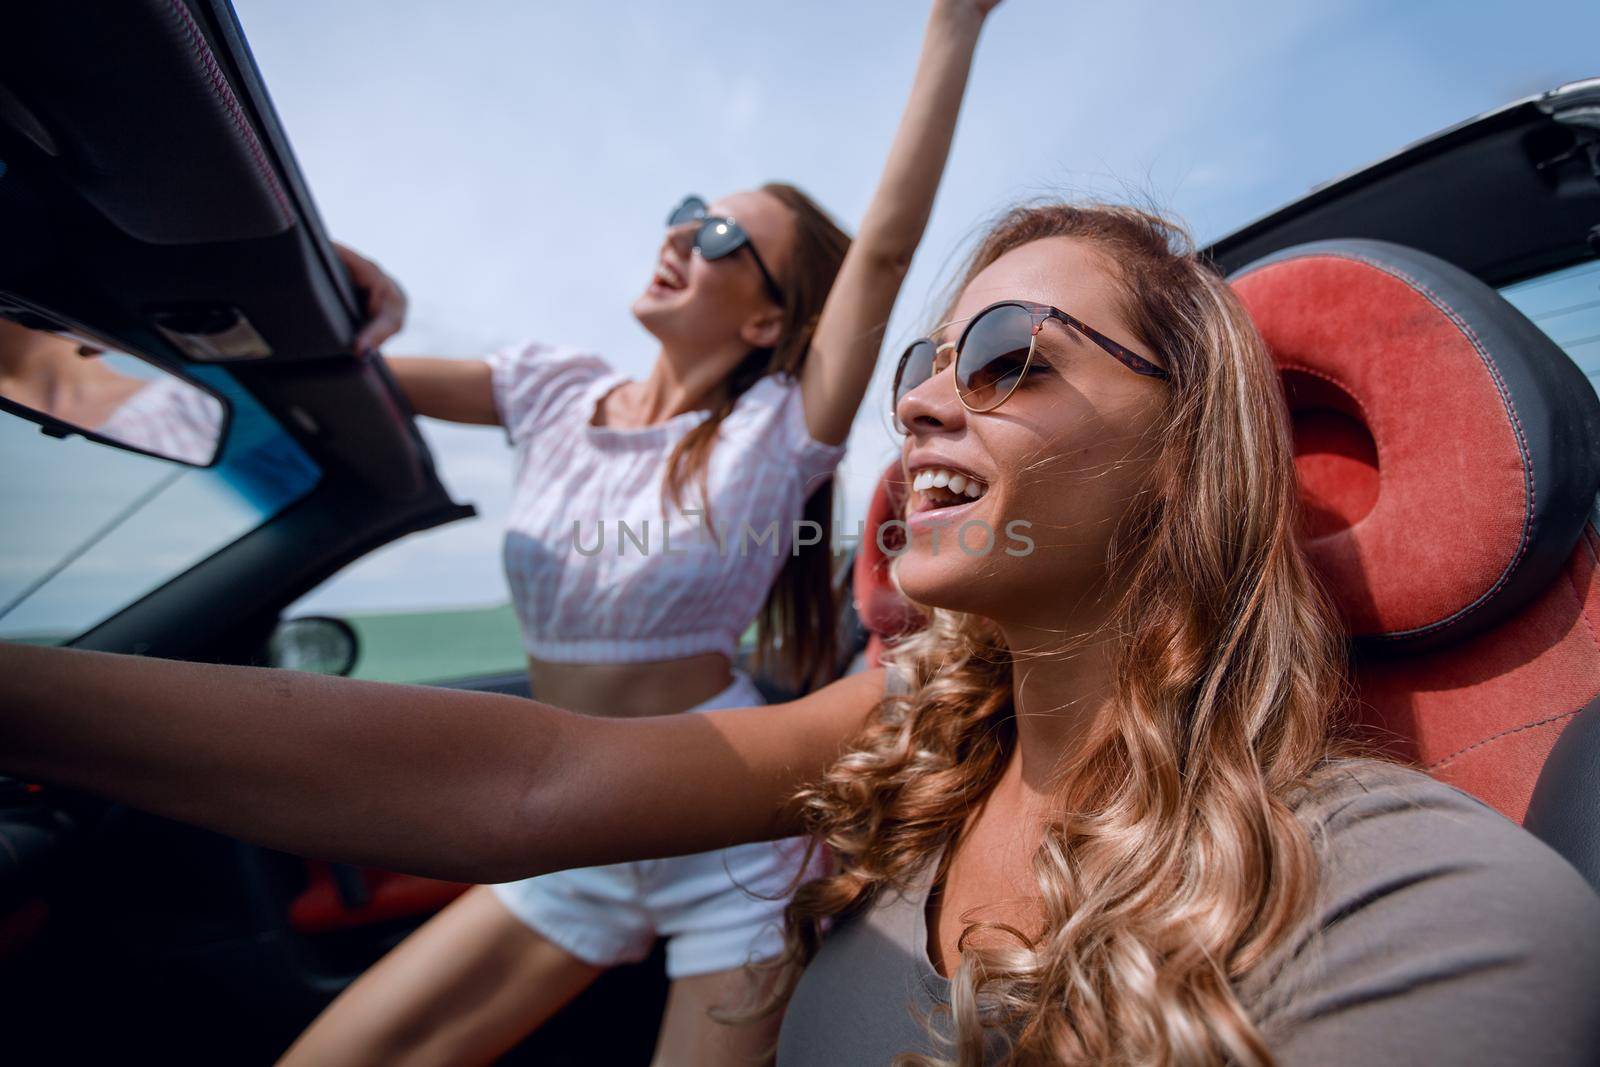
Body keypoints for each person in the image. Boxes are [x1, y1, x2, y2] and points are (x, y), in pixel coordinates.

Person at [4, 92, 1598, 1067]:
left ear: (1191, 456)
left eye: (1003, 357)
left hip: (708, 869)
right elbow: (544, 773)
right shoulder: (906, 727)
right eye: (922, 363)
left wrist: (948, 36)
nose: (916, 404)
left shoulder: (1419, 906)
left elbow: (885, 236)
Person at [271, 2, 1005, 1063]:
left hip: (728, 832)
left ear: (765, 318)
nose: (678, 235)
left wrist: (951, 26)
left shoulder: (776, 427)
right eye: (684, 212)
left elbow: (881, 254)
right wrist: (339, 287)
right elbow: (336, 371)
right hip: (566, 824)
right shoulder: (549, 387)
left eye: (718, 236)